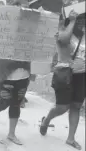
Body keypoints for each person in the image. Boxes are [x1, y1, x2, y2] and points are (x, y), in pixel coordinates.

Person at [39, 10, 85, 150]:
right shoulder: (62, 32)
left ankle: (70, 139)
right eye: (79, 20)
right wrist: (71, 21)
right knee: (63, 107)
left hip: (82, 76)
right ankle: (47, 119)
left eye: (84, 20)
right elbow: (63, 40)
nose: (82, 22)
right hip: (64, 74)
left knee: (76, 106)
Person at [0, 26, 32, 145]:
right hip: (6, 76)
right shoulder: (4, 29)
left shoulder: (31, 34)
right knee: (4, 102)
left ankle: (11, 134)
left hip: (23, 75)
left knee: (16, 104)